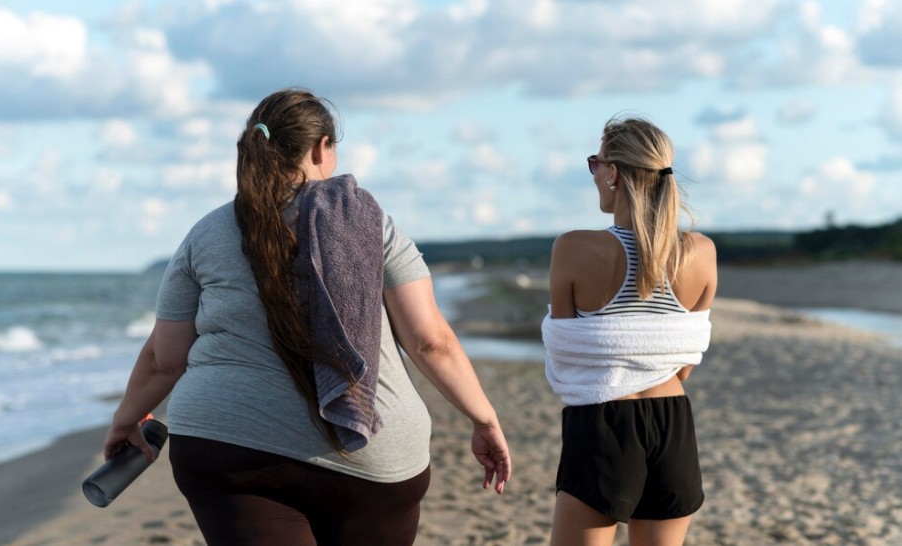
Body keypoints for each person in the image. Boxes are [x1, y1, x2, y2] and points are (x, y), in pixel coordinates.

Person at [103, 87, 511, 545]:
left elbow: (165, 359)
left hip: (228, 450)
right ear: (322, 148)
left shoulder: (206, 233)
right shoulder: (370, 223)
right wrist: (484, 419)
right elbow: (429, 341)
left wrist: (126, 420)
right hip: (372, 467)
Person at [543, 116, 717, 546]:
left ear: (614, 172)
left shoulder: (573, 247)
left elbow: (566, 356)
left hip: (601, 419)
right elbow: (684, 359)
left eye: (595, 163)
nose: (595, 174)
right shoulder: (702, 252)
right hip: (674, 422)